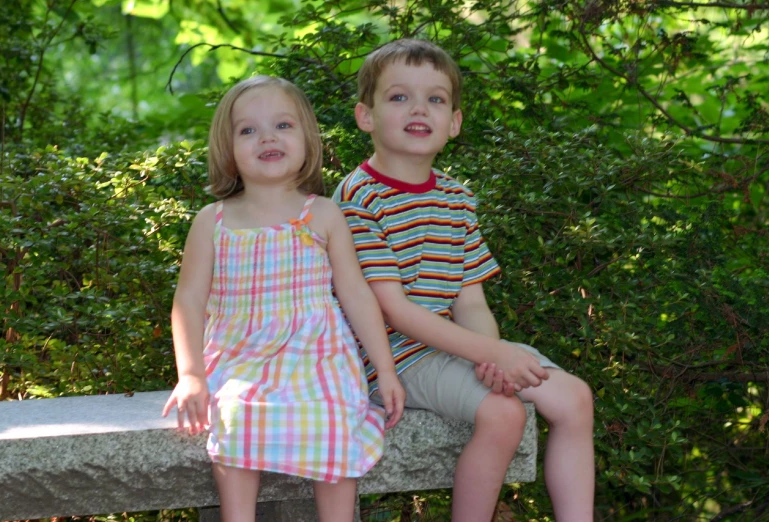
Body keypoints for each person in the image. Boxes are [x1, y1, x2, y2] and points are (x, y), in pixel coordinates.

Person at [333, 39, 594, 522]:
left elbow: (469, 300)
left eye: (435, 99)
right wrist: (489, 354)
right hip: (386, 360)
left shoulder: (456, 198)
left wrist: (491, 360)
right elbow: (393, 310)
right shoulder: (357, 198)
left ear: (453, 122)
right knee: (504, 413)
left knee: (575, 397)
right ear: (365, 116)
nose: (419, 108)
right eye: (398, 97)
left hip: (450, 349)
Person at [162, 75, 405, 522]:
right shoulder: (212, 221)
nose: (267, 137)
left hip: (317, 354)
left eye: (282, 126)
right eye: (248, 130)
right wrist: (191, 375)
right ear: (228, 149)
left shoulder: (323, 214)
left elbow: (356, 295)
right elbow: (189, 301)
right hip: (240, 355)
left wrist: (385, 371)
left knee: (335, 418)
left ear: (306, 140)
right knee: (234, 417)